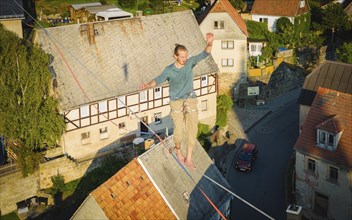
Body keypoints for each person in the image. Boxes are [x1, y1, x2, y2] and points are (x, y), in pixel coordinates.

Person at [139, 33, 214, 170]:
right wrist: (148, 85)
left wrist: (209, 43)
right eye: (182, 57)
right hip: (176, 102)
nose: (184, 59)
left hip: (190, 99)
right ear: (175, 56)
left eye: (186, 56)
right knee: (178, 131)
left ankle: (189, 158)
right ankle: (179, 152)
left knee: (192, 129)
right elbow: (158, 79)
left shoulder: (190, 62)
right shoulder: (169, 70)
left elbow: (205, 54)